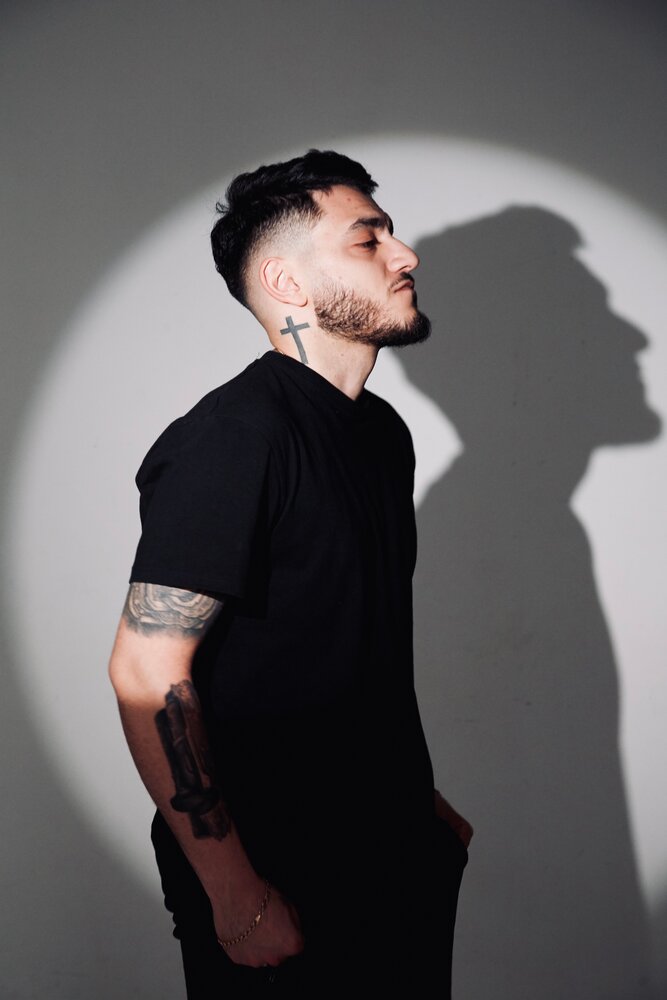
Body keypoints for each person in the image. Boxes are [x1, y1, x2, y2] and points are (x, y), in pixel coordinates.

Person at [108, 148, 472, 996]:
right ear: (285, 281)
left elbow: (339, 642)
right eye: (367, 240)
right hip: (278, 871)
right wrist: (232, 890)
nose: (405, 255)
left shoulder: (380, 434)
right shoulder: (234, 438)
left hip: (394, 854)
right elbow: (145, 670)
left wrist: (420, 806)